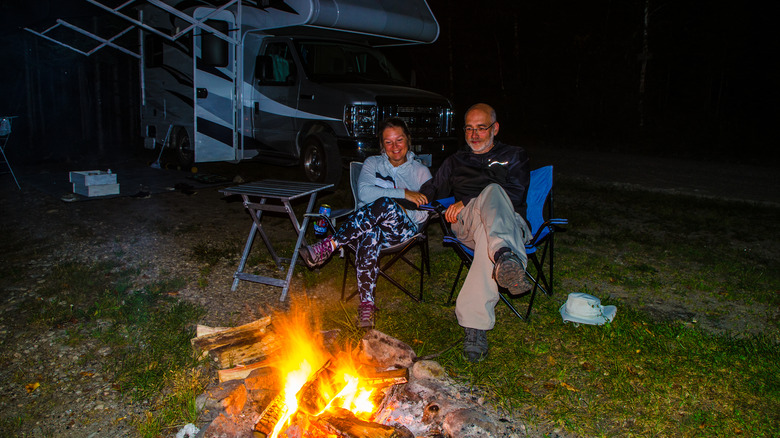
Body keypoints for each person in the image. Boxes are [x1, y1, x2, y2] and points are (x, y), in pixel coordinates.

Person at [419, 103, 532, 363]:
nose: (474, 135)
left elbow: (515, 194)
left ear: (495, 128)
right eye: (469, 129)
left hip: (509, 221)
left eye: (481, 128)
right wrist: (404, 197)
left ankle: (475, 327)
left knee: (493, 196)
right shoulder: (456, 161)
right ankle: (506, 256)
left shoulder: (515, 155)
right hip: (467, 224)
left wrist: (469, 199)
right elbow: (432, 189)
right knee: (487, 208)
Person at [299, 117, 431, 328]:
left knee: (385, 204)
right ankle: (367, 306)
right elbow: (363, 193)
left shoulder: (421, 172)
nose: (395, 147)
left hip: (402, 230)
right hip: (366, 228)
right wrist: (404, 194)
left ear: (408, 140)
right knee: (370, 231)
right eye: (388, 142)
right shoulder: (371, 164)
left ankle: (330, 244)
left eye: (399, 140)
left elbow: (424, 212)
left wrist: (398, 208)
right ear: (382, 145)